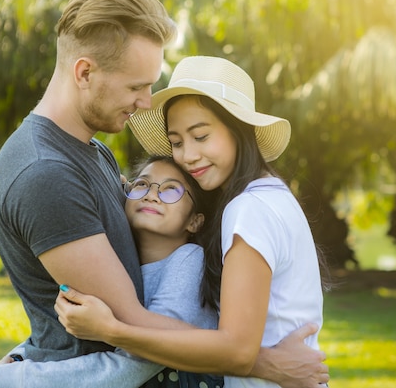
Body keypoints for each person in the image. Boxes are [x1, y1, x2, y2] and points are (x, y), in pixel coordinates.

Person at [0, 0, 327, 388]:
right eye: (136, 86)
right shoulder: (45, 173)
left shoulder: (94, 153)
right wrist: (264, 364)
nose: (147, 101)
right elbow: (127, 320)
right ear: (84, 72)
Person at [53, 55, 329, 388]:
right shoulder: (268, 196)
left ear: (238, 131)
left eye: (201, 137)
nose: (187, 156)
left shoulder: (250, 208)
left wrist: (111, 330)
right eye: (177, 142)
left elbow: (237, 350)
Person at [0, 155, 224, 388]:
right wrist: (20, 354)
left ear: (195, 221)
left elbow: (144, 359)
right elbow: (55, 327)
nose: (152, 194)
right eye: (141, 184)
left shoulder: (189, 259)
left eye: (171, 189)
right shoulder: (117, 260)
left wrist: (18, 379)